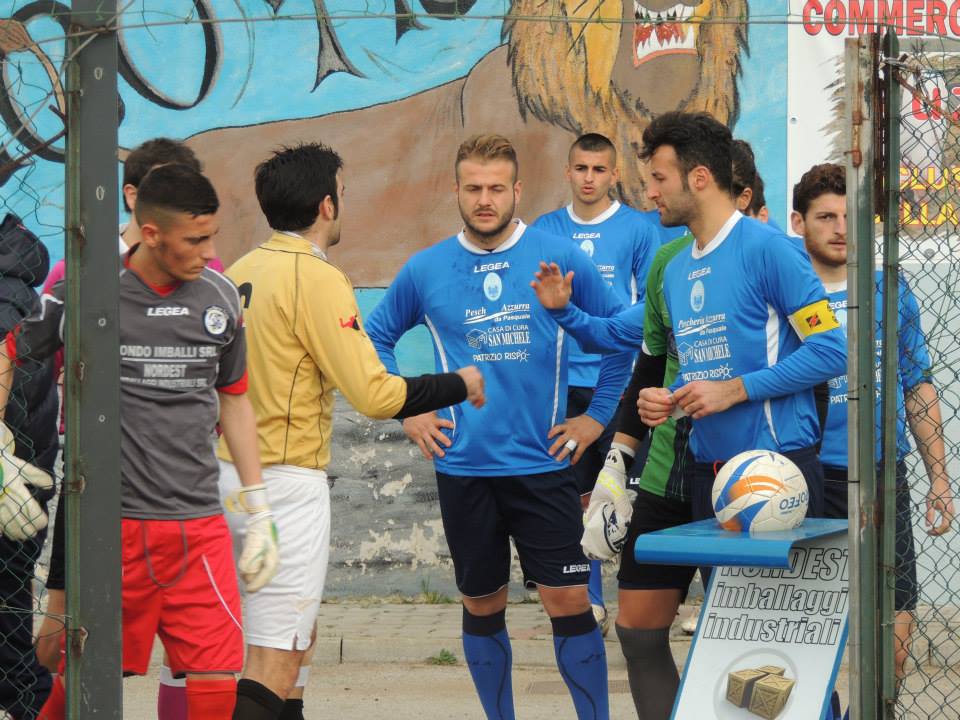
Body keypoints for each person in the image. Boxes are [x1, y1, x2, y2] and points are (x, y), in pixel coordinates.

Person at [366, 134, 632, 720]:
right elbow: (373, 339)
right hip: (464, 468)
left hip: (543, 465)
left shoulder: (557, 257)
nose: (484, 199)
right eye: (473, 188)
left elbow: (621, 335)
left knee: (569, 601)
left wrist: (595, 418)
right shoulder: (426, 268)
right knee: (482, 604)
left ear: (517, 190)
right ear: (456, 191)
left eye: (495, 188)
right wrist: (408, 408)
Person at [217, 142, 485, 720]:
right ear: (327, 204)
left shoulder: (239, 271)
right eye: (344, 190)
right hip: (284, 480)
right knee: (273, 659)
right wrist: (458, 384)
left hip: (229, 474)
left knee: (297, 639)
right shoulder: (318, 277)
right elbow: (372, 394)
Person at [6, 164, 276, 720]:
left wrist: (258, 503)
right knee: (75, 667)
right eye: (194, 239)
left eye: (212, 236)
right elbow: (9, 349)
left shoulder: (221, 298)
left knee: (214, 672)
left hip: (197, 527)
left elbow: (236, 396)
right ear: (150, 233)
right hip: (111, 526)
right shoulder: (84, 289)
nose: (208, 250)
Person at [530, 140, 777, 719]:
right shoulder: (672, 262)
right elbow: (635, 346)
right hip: (668, 468)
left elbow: (820, 358)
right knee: (637, 629)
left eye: (657, 179)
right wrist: (620, 455)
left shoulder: (769, 256)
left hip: (746, 471)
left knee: (746, 633)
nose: (648, 193)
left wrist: (738, 393)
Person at [36, 137, 223, 720]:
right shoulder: (79, 276)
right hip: (94, 486)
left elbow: (224, 376)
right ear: (136, 203)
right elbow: (35, 354)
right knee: (65, 646)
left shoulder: (208, 275)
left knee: (197, 660)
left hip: (183, 500)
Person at [790, 162, 955, 686]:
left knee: (893, 654)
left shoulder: (890, 290)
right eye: (826, 216)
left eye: (851, 216)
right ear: (799, 223)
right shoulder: (783, 292)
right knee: (808, 652)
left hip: (884, 477)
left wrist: (939, 477)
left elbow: (918, 383)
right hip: (808, 479)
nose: (841, 228)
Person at [531, 132, 658, 633]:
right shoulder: (545, 229)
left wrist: (605, 330)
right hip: (563, 384)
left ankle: (637, 600)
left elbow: (648, 305)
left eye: (599, 170)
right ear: (567, 172)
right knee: (574, 496)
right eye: (580, 169)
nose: (589, 179)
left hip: (618, 380)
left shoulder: (640, 230)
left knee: (624, 493)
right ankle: (591, 600)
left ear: (614, 174)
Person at [0, 213, 58, 719]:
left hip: (12, 489)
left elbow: (3, 354)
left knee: (10, 649)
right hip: (20, 477)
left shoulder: (8, 285)